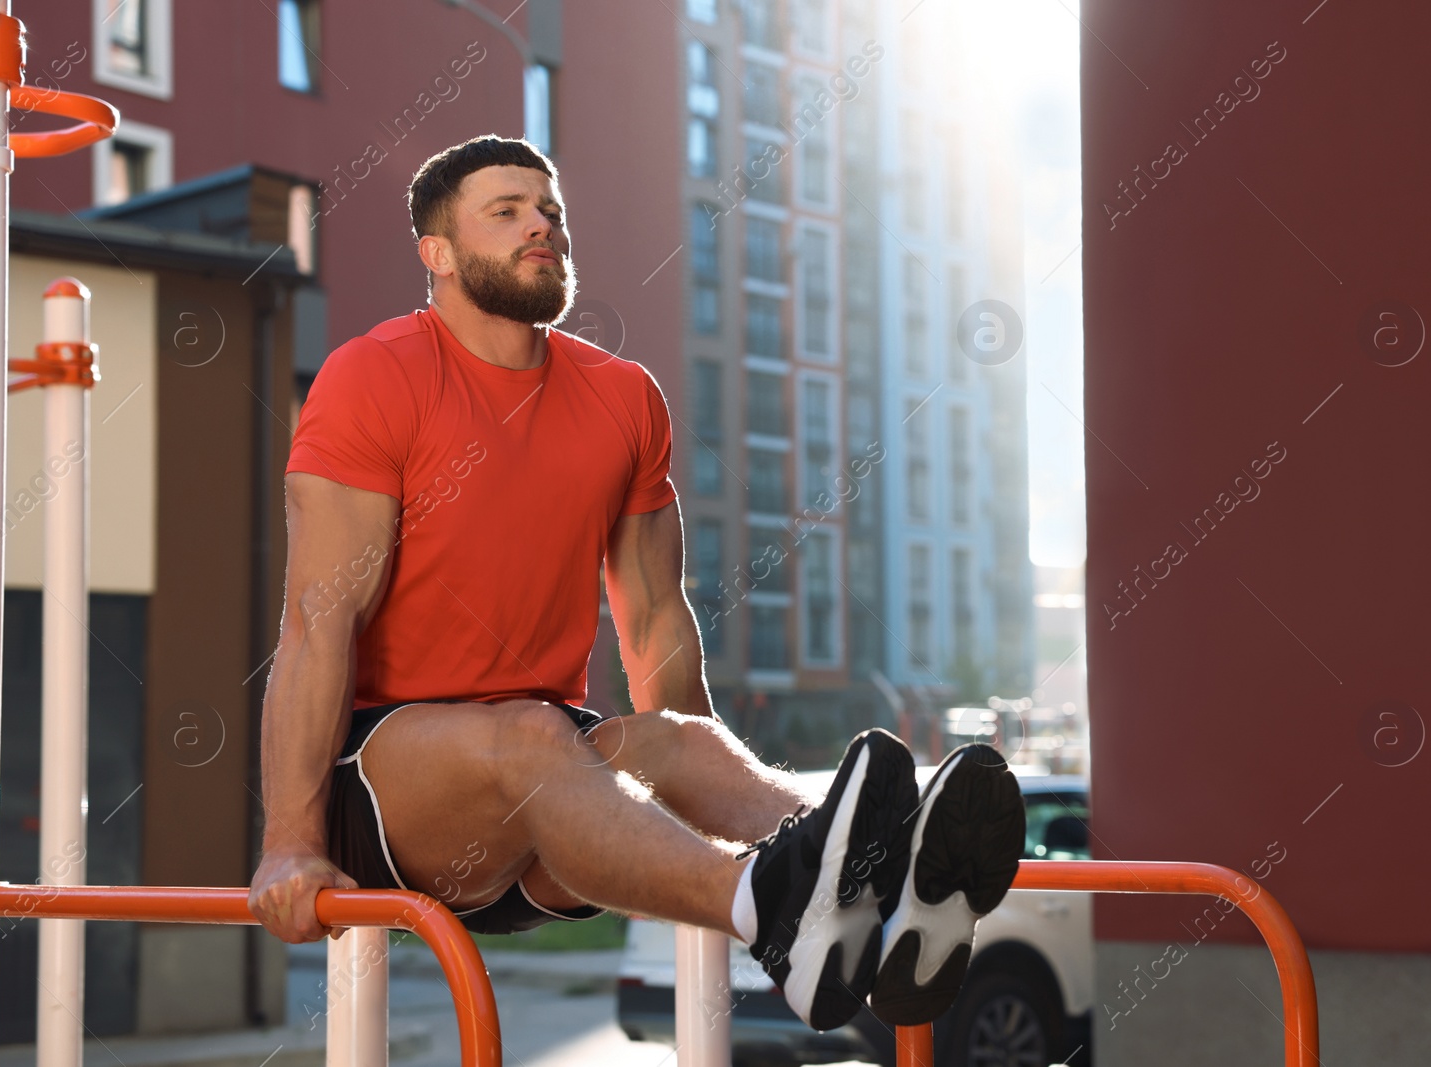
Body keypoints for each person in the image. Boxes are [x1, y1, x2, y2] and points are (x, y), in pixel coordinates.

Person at [247, 135, 1025, 1032]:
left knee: (679, 742)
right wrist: (290, 846)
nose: (542, 226)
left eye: (551, 212)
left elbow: (654, 623)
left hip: (547, 789)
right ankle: (772, 914)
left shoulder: (622, 397)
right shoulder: (374, 376)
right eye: (506, 212)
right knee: (536, 735)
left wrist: (687, 796)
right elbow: (315, 621)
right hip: (384, 789)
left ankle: (889, 891)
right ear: (439, 253)